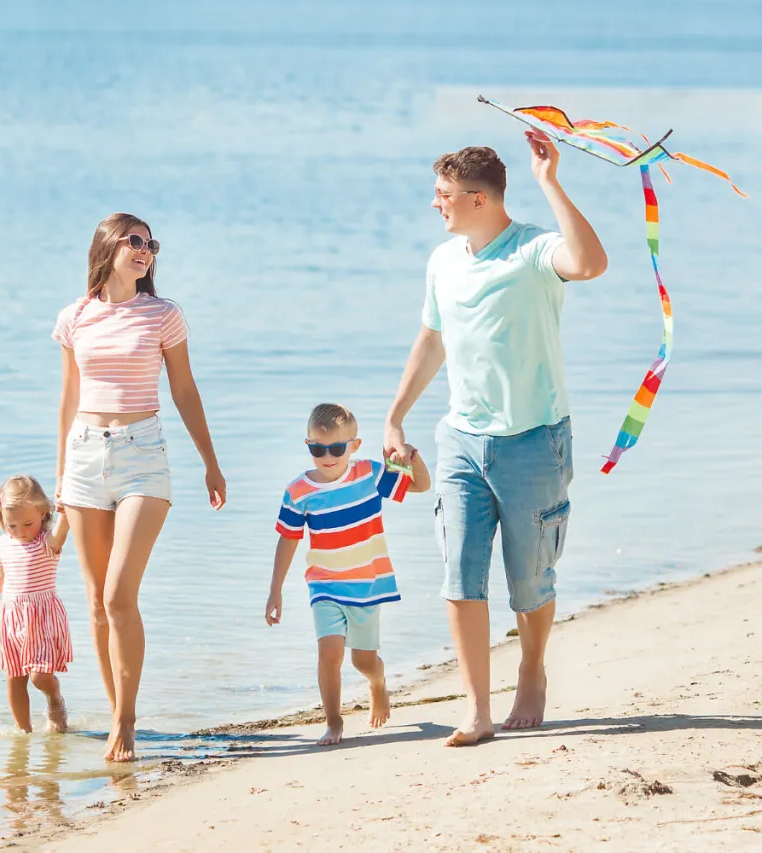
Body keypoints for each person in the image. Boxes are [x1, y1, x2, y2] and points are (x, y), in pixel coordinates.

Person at [383, 131, 608, 747]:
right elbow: (431, 340)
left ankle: (531, 669)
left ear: (480, 200)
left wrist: (550, 181)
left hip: (534, 439)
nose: (436, 204)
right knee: (459, 571)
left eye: (445, 195)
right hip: (460, 438)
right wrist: (395, 416)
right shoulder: (442, 260)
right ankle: (477, 709)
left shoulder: (535, 249)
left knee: (531, 582)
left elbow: (590, 264)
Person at [53, 212, 226, 761]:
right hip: (84, 458)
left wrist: (211, 464)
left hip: (142, 457)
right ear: (108, 246)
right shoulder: (74, 318)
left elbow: (185, 391)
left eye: (151, 244)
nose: (146, 251)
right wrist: (61, 478)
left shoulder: (163, 315)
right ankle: (114, 714)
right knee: (96, 604)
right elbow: (66, 400)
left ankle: (127, 721)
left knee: (118, 594)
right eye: (136, 241)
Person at [266, 403, 431, 746]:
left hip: (366, 584)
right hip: (324, 584)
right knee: (329, 653)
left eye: (337, 448)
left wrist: (412, 458)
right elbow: (288, 540)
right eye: (317, 448)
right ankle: (334, 721)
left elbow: (421, 487)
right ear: (308, 444)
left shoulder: (369, 474)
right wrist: (275, 590)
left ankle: (378, 683)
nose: (327, 456)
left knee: (363, 661)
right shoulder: (299, 491)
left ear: (354, 447)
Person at [0, 475, 72, 734]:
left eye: (28, 523)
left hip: (40, 617)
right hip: (11, 618)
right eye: (12, 525)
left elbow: (61, 533)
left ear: (43, 514)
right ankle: (23, 733)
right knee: (14, 677)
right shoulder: (5, 542)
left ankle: (54, 696)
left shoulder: (46, 542)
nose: (21, 531)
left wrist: (68, 510)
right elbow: (0, 575)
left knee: (39, 676)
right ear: (2, 519)